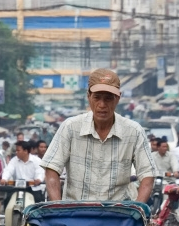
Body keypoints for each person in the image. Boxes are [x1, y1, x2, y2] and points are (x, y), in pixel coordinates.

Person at [41, 68, 155, 203]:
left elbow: (147, 175)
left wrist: (138, 210)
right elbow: (52, 169)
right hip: (76, 213)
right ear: (88, 96)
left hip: (118, 215)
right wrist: (58, 208)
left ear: (118, 98)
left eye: (108, 99)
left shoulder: (134, 131)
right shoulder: (70, 127)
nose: (102, 105)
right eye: (97, 97)